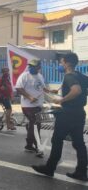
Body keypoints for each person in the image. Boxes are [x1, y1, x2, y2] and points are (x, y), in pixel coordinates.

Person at [32, 53, 87, 181]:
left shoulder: (69, 76)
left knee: (57, 140)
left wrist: (62, 100)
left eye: (62, 62)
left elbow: (76, 90)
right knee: (79, 143)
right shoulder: (81, 76)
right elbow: (82, 90)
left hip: (67, 114)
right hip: (79, 113)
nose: (61, 65)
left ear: (67, 63)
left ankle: (50, 168)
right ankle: (82, 172)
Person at [16, 59, 54, 157]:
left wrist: (51, 91)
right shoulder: (24, 76)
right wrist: (30, 97)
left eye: (33, 66)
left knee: (34, 125)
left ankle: (29, 145)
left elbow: (43, 88)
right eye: (30, 66)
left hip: (38, 105)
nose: (31, 67)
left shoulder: (40, 76)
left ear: (39, 67)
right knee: (36, 125)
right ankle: (39, 148)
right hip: (27, 105)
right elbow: (18, 88)